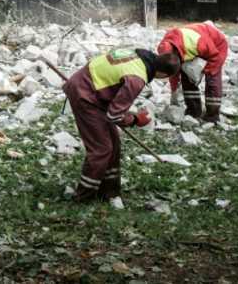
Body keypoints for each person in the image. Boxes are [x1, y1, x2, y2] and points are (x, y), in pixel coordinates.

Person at [62, 47, 181, 203]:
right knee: (102, 149)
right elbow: (114, 115)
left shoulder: (137, 54)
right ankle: (83, 197)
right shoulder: (136, 79)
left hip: (90, 86)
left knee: (114, 144)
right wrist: (136, 120)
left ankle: (109, 191)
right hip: (86, 96)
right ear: (164, 75)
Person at [157, 21, 229, 123]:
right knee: (186, 76)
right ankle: (193, 111)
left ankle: (212, 115)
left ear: (176, 53)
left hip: (216, 46)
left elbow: (215, 56)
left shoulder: (196, 42)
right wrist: (174, 91)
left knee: (212, 79)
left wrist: (205, 71)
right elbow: (173, 70)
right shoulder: (165, 47)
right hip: (191, 49)